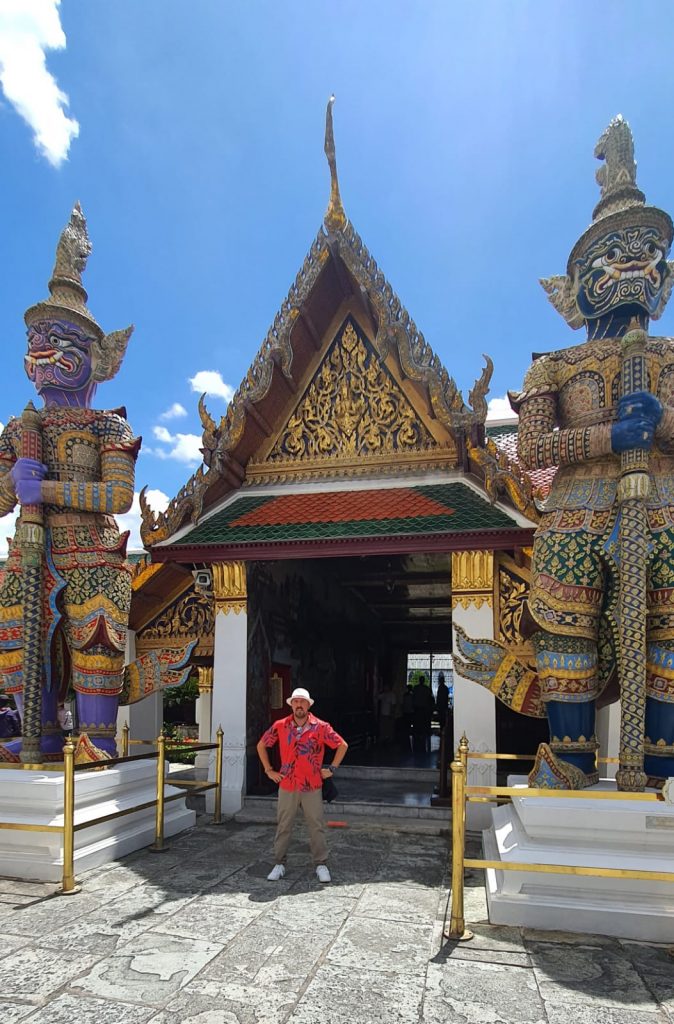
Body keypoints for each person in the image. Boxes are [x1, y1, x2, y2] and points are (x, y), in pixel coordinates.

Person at [257, 687, 348, 883]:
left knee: (316, 825)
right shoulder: (281, 725)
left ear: (308, 705)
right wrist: (269, 770)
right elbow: (262, 744)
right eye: (295, 701)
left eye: (302, 701)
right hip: (288, 784)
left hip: (312, 784)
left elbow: (342, 745)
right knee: (284, 825)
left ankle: (321, 864)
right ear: (291, 705)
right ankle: (279, 863)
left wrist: (332, 768)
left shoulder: (321, 727)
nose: (299, 705)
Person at [412, 675, 435, 753]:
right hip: (424, 708)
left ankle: (417, 733)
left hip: (417, 708)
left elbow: (413, 698)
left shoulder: (416, 688)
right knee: (423, 722)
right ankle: (422, 733)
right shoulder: (427, 689)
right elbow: (430, 698)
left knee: (417, 722)